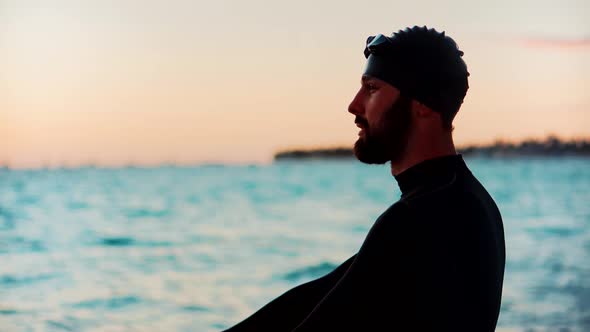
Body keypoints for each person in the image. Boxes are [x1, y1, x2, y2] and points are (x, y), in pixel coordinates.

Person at [223, 25, 505, 331]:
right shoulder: (472, 202)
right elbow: (311, 299)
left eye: (371, 89)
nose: (354, 106)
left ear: (422, 105)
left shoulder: (417, 220)